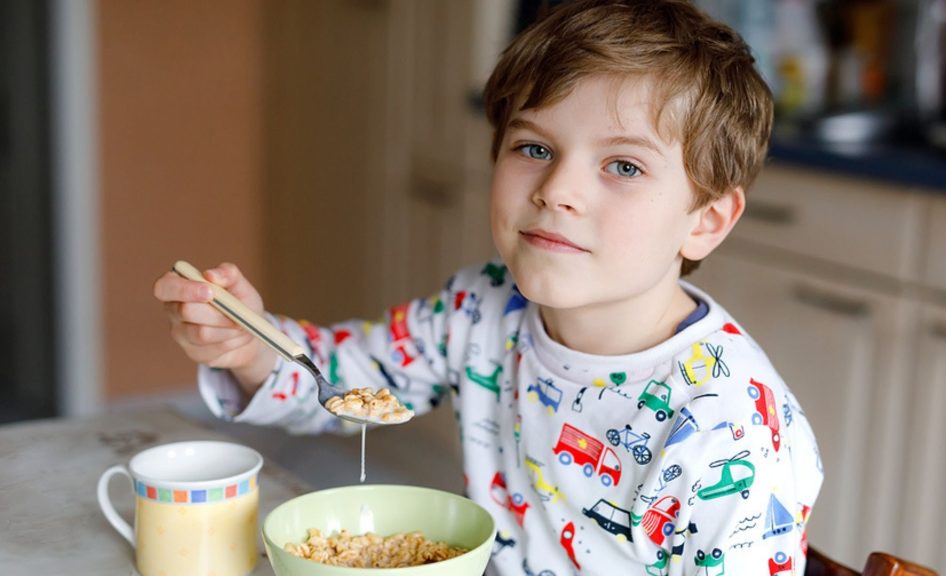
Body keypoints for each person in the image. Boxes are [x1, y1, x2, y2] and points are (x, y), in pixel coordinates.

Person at [154, 1, 823, 574]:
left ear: (705, 221)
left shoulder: (726, 429)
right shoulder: (480, 308)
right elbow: (349, 386)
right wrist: (250, 350)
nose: (557, 190)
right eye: (534, 148)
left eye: (622, 165)